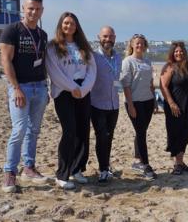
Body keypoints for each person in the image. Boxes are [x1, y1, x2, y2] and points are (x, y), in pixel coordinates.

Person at [0, 0, 49, 192]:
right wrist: (16, 88)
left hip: (40, 86)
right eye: (30, 8)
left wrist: (47, 87)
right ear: (23, 8)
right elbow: (5, 60)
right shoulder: (12, 30)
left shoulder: (42, 35)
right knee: (19, 129)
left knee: (34, 130)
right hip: (21, 87)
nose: (33, 12)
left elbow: (44, 61)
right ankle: (9, 172)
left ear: (42, 11)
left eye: (37, 9)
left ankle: (28, 167)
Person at [46, 12, 97, 189]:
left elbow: (92, 70)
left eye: (72, 23)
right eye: (66, 23)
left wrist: (83, 89)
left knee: (83, 131)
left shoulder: (83, 46)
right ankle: (62, 174)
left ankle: (77, 169)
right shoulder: (53, 47)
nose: (69, 26)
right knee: (69, 131)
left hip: (83, 92)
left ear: (77, 26)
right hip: (64, 92)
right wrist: (72, 88)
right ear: (61, 25)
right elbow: (54, 72)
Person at [120, 34, 157, 180]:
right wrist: (130, 105)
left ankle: (138, 162)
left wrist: (154, 101)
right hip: (135, 102)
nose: (139, 46)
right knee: (141, 133)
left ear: (145, 45)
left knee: (142, 131)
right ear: (132, 45)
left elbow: (150, 83)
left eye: (142, 43)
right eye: (137, 43)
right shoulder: (127, 61)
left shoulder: (147, 61)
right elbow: (126, 85)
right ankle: (146, 166)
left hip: (148, 101)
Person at [160, 41, 188, 175]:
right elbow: (163, 86)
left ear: (185, 52)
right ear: (172, 53)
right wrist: (171, 103)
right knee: (175, 133)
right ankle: (177, 163)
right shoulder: (170, 67)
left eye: (181, 51)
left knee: (186, 133)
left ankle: (180, 162)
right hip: (174, 106)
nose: (179, 53)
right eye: (176, 51)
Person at [90, 26, 122, 183]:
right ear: (99, 37)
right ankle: (103, 170)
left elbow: (118, 80)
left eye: (110, 36)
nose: (107, 39)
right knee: (101, 137)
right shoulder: (93, 56)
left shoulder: (118, 57)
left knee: (109, 138)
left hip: (114, 104)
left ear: (115, 38)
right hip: (97, 104)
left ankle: (106, 165)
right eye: (104, 36)